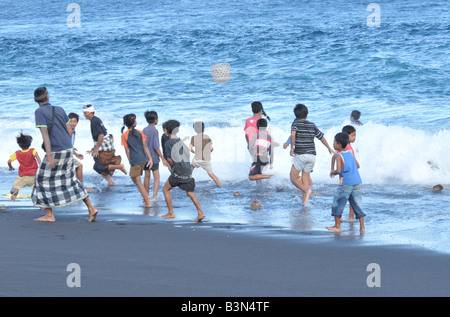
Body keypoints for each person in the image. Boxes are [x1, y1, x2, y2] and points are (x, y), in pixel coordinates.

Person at [32, 87, 97, 222]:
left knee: (40, 180)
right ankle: (91, 208)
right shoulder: (60, 109)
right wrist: (67, 146)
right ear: (48, 97)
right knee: (71, 179)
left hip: (55, 151)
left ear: (35, 99)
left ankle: (49, 215)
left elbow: (45, 134)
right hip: (67, 149)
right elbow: (69, 130)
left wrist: (49, 155)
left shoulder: (39, 112)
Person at [161, 120, 205, 222]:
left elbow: (170, 160)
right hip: (187, 169)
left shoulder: (168, 143)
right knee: (190, 192)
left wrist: (171, 167)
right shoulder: (181, 142)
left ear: (166, 131)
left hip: (178, 171)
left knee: (165, 189)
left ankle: (171, 213)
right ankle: (200, 212)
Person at [290, 103, 334, 205]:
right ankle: (305, 202)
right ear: (307, 114)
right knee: (305, 178)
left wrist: (292, 148)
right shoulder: (312, 125)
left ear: (295, 115)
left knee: (293, 178)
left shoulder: (295, 124)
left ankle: (306, 191)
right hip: (312, 156)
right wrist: (329, 148)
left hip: (301, 154)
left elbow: (293, 135)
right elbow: (321, 137)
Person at [327, 132, 365, 232]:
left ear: (339, 144)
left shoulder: (340, 156)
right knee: (357, 203)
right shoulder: (349, 153)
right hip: (356, 181)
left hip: (346, 183)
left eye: (334, 142)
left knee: (338, 202)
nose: (333, 144)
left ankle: (337, 226)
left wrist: (333, 172)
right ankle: (362, 227)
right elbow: (357, 165)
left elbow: (339, 170)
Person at [83, 104, 126, 186]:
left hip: (105, 145)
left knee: (98, 166)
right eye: (84, 113)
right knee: (98, 164)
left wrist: (96, 150)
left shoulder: (94, 121)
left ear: (91, 112)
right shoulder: (95, 120)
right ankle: (110, 181)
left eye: (86, 113)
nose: (84, 114)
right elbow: (101, 134)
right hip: (105, 143)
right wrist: (93, 148)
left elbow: (101, 135)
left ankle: (119, 167)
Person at [121, 113, 153, 207]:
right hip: (143, 158)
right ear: (134, 122)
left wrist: (130, 160)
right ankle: (145, 195)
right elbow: (145, 146)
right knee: (133, 177)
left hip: (135, 160)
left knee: (137, 181)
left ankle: (147, 201)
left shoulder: (124, 135)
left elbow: (126, 150)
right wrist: (150, 158)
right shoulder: (140, 132)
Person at [331, 125, 360, 221]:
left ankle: (341, 216)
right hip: (348, 176)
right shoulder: (348, 148)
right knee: (351, 198)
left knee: (343, 197)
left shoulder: (343, 147)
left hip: (344, 177)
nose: (354, 138)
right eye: (353, 135)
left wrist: (332, 169)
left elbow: (335, 156)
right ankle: (350, 216)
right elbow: (353, 161)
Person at [7, 133, 41, 201]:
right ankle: (41, 204)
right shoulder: (32, 151)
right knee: (37, 190)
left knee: (15, 187)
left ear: (19, 145)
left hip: (22, 176)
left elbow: (9, 161)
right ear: (29, 144)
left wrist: (10, 167)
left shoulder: (17, 153)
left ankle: (14, 193)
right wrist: (40, 166)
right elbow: (38, 158)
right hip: (33, 176)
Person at [143, 111, 168, 201]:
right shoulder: (155, 131)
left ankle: (146, 196)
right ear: (155, 120)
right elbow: (156, 147)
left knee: (147, 176)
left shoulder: (144, 130)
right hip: (153, 158)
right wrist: (162, 158)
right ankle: (154, 196)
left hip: (145, 157)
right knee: (156, 177)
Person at [190, 121, 221, 187]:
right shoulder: (207, 137)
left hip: (197, 159)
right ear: (203, 129)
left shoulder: (193, 138)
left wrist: (195, 152)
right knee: (211, 174)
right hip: (206, 160)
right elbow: (211, 148)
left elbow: (190, 149)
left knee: (191, 166)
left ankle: (187, 180)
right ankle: (220, 185)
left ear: (195, 130)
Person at [68, 112, 92, 192]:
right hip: (66, 155)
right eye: (70, 121)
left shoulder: (73, 131)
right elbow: (66, 144)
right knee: (79, 166)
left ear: (77, 122)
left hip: (68, 153)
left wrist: (74, 151)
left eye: (74, 121)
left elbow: (68, 144)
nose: (72, 123)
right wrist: (76, 154)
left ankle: (75, 186)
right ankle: (81, 187)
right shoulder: (68, 131)